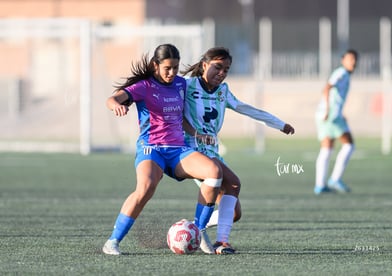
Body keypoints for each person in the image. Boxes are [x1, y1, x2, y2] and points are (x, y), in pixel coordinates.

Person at [102, 44, 223, 255]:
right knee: (146, 187)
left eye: (175, 68)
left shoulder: (181, 84)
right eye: (167, 68)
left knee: (214, 172)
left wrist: (196, 134)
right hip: (152, 148)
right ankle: (113, 241)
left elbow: (180, 117)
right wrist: (117, 106)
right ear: (154, 65)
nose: (172, 73)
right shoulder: (143, 86)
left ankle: (199, 230)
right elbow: (112, 99)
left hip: (178, 149)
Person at [181, 47, 295, 254]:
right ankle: (220, 241)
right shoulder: (188, 86)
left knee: (234, 213)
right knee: (233, 182)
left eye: (226, 69)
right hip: (190, 151)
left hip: (212, 152)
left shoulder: (223, 91)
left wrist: (279, 124)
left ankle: (193, 228)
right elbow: (170, 111)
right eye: (218, 67)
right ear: (204, 65)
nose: (222, 73)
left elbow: (247, 109)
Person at [314, 49, 359, 195]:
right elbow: (327, 88)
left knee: (327, 148)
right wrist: (328, 109)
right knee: (349, 145)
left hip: (329, 115)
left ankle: (320, 185)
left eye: (355, 59)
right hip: (330, 116)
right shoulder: (341, 73)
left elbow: (335, 97)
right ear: (343, 60)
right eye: (350, 59)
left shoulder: (344, 74)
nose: (353, 62)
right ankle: (335, 178)